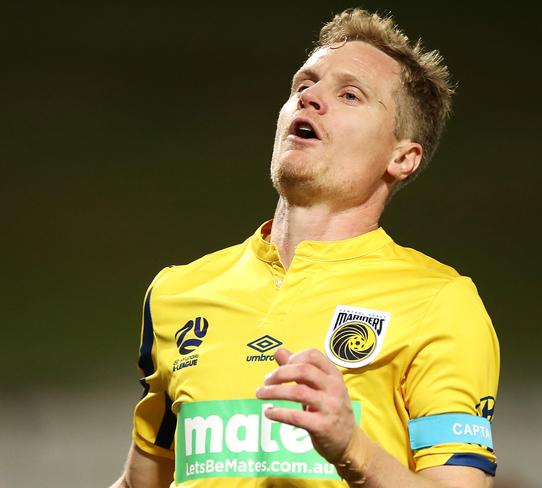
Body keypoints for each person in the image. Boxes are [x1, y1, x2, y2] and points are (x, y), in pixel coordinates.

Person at [111, 8, 499, 488]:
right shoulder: (177, 294)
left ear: (403, 157)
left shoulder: (439, 302)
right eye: (303, 85)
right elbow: (139, 484)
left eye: (349, 94)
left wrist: (350, 446)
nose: (311, 98)